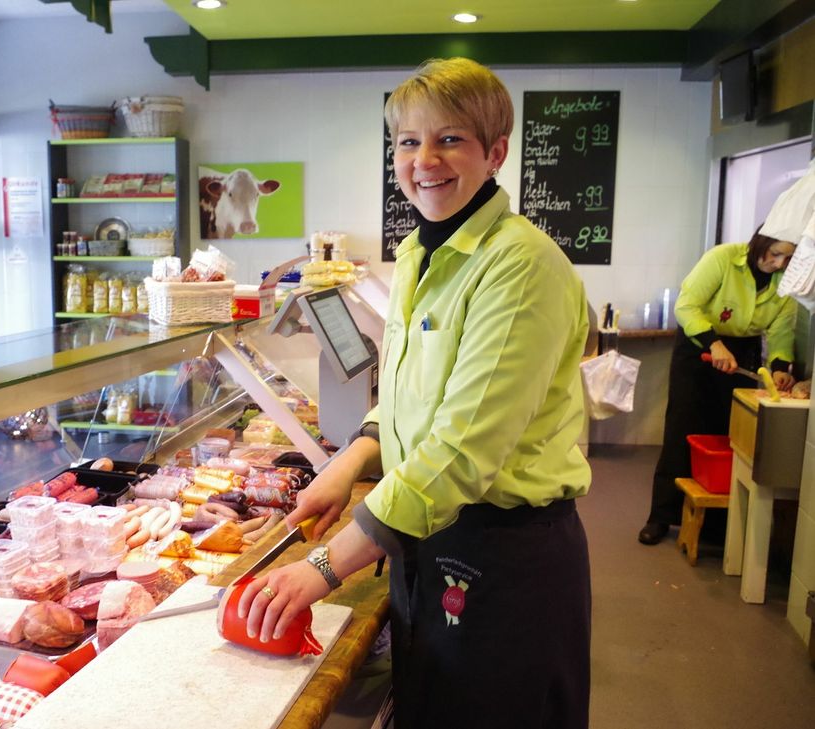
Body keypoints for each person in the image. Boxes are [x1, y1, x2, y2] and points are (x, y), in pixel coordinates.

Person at [238, 58, 592, 729]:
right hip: (426, 535)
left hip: (504, 556)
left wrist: (324, 562)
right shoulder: (421, 255)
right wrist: (346, 466)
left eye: (449, 139)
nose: (423, 159)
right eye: (406, 142)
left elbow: (462, 449)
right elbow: (404, 394)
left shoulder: (521, 266)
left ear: (496, 153)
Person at [637, 231, 797, 545]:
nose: (778, 263)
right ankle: (660, 516)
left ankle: (715, 525)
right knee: (682, 428)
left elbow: (781, 329)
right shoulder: (723, 258)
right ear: (760, 243)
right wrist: (715, 344)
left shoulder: (785, 281)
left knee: (728, 433)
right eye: (775, 254)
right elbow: (686, 306)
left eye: (788, 258)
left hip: (743, 351)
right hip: (700, 343)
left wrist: (780, 368)